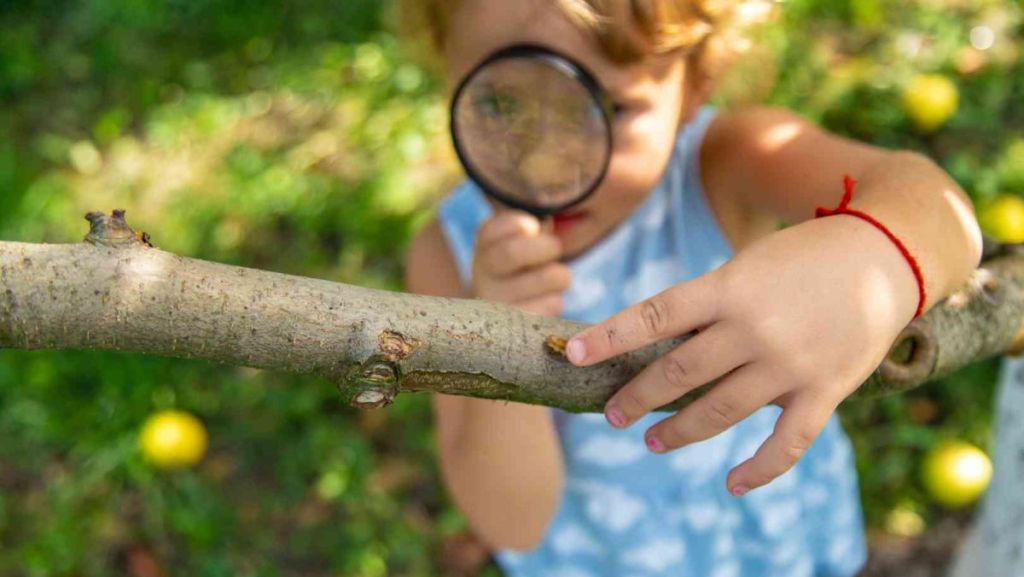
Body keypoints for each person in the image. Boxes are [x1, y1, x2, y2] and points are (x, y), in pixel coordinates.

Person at [403, 1, 984, 576]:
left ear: (696, 84)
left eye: (610, 106)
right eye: (505, 103)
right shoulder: (447, 256)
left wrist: (869, 258)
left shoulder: (724, 165)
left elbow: (938, 208)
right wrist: (496, 330)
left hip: (770, 538)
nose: (547, 164)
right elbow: (512, 524)